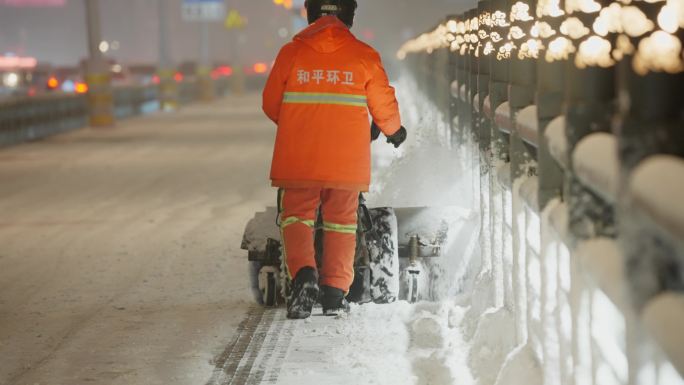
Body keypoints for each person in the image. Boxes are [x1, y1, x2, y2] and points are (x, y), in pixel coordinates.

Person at [262, 0, 407, 319]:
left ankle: (304, 275)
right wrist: (394, 131)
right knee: (342, 220)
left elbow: (271, 104)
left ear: (310, 13)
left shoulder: (291, 53)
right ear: (349, 15)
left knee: (297, 216)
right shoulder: (363, 55)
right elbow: (383, 103)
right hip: (346, 160)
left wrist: (298, 124)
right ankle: (334, 292)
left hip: (298, 156)